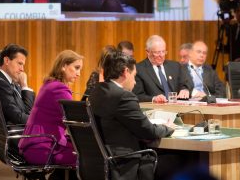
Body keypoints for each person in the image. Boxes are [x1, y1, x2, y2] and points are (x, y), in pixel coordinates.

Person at [89, 50, 175, 180]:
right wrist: (168, 128)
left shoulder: (96, 91)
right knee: (184, 160)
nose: (135, 82)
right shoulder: (123, 96)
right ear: (125, 72)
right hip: (125, 163)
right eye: (134, 76)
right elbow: (148, 131)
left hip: (99, 162)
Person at [19, 50, 83, 180]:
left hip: (35, 145)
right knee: (88, 156)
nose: (79, 73)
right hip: (43, 148)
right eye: (76, 68)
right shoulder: (59, 89)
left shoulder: (49, 84)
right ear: (63, 66)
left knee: (80, 152)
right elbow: (75, 119)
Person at [0, 44, 35, 125]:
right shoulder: (1, 84)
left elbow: (25, 111)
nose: (22, 69)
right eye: (19, 63)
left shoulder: (6, 81)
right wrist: (24, 86)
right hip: (19, 133)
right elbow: (20, 116)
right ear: (7, 61)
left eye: (23, 65)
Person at [133, 35, 189, 103]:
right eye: (157, 52)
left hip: (176, 110)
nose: (161, 55)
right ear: (148, 52)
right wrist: (153, 98)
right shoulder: (139, 69)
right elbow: (137, 95)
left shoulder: (175, 66)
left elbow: (184, 84)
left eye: (163, 51)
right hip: (154, 110)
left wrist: (185, 89)